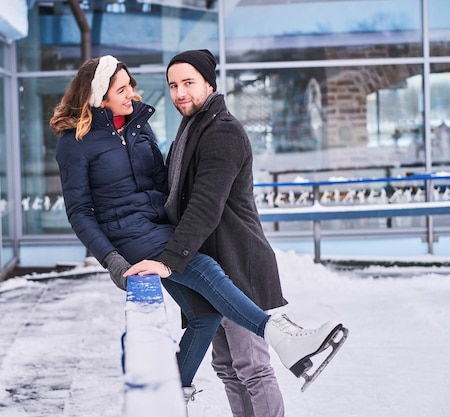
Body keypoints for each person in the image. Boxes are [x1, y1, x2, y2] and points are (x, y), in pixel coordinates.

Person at [51, 55, 346, 407]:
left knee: (205, 313)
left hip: (161, 228)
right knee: (206, 271)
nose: (132, 93)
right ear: (99, 95)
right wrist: (113, 260)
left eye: (131, 85)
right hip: (129, 235)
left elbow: (163, 184)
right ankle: (281, 337)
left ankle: (172, 388)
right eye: (122, 88)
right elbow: (80, 212)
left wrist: (176, 233)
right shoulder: (75, 142)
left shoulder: (139, 126)